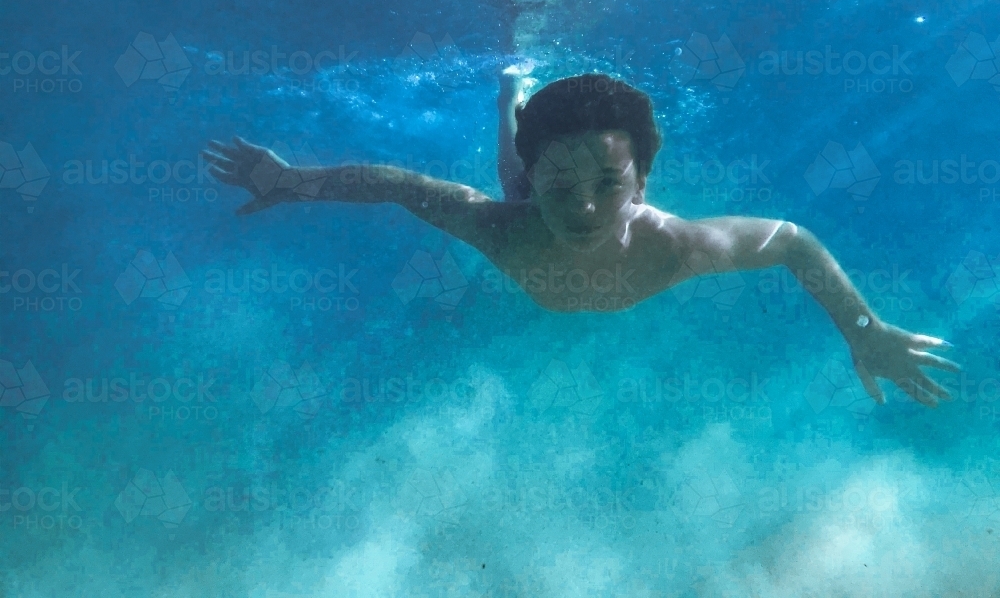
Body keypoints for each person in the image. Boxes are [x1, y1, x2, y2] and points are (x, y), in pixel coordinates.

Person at [202, 71, 960, 409]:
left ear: (643, 184)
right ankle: (511, 91)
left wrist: (865, 331)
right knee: (509, 180)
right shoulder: (506, 226)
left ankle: (519, 105)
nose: (587, 208)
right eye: (562, 186)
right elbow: (399, 185)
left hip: (549, 211)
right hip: (520, 207)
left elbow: (794, 240)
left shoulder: (679, 246)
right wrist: (291, 180)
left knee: (524, 182)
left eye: (610, 183)